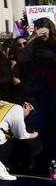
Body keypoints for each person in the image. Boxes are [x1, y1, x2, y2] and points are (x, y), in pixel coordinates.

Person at [20, 17, 56, 160]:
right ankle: (39, 158)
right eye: (38, 27)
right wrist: (33, 37)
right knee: (38, 124)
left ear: (49, 27)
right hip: (40, 88)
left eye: (43, 27)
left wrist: (52, 56)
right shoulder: (35, 44)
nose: (41, 31)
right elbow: (22, 58)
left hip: (54, 87)